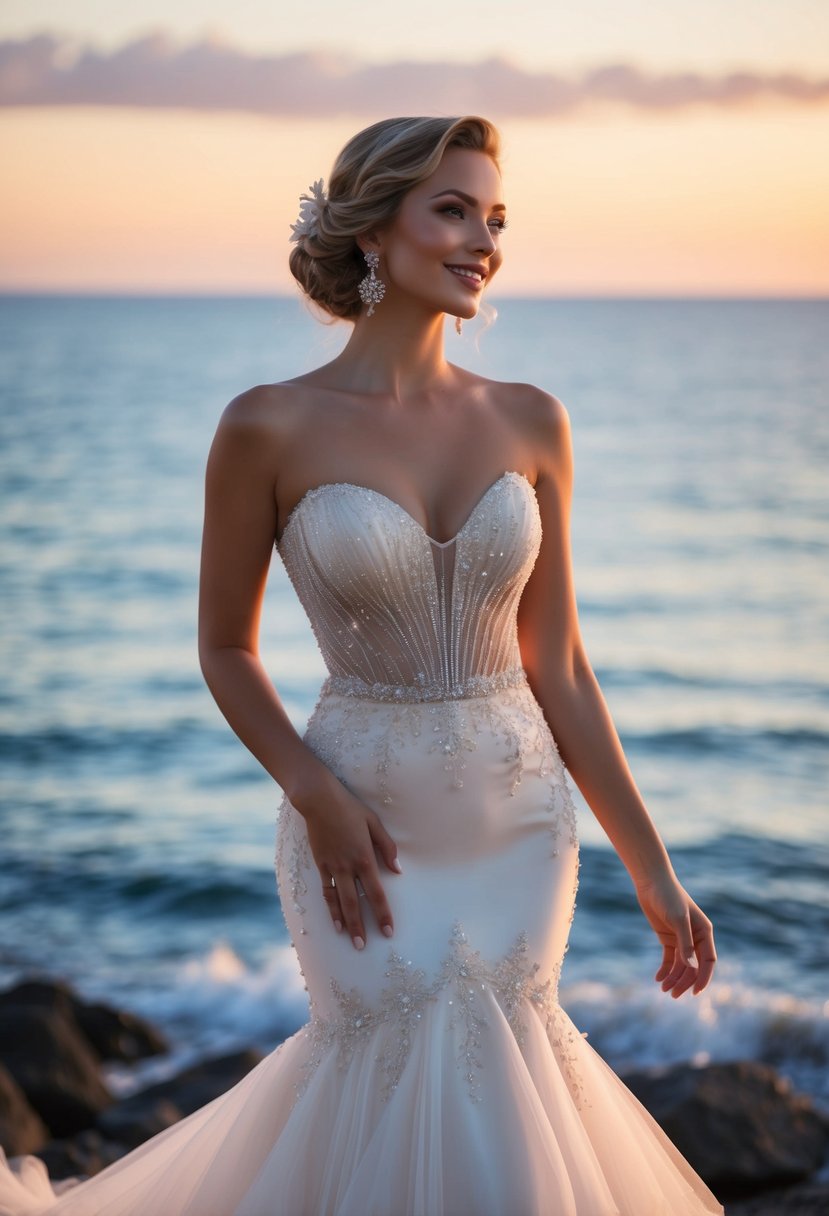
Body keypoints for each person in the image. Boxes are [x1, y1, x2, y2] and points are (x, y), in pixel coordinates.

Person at [0, 116, 723, 1215]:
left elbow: (561, 665)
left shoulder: (533, 420)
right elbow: (225, 646)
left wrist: (653, 866)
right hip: (359, 822)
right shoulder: (268, 425)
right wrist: (312, 790)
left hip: (518, 819)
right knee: (378, 1069)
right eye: (452, 209)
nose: (483, 239)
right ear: (372, 230)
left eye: (496, 218)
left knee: (509, 1079)